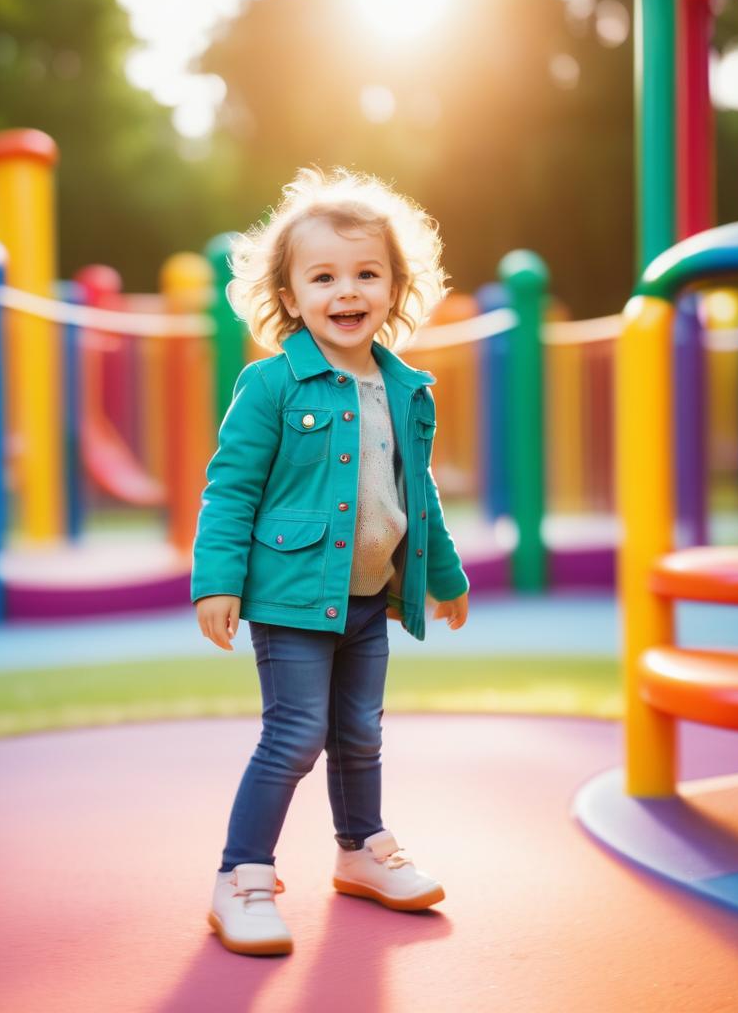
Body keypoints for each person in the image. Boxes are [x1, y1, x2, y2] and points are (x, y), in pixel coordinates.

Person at [191, 168, 469, 956]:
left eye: (365, 274)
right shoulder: (273, 384)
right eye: (323, 277)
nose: (346, 292)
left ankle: (360, 849)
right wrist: (218, 581)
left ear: (393, 286)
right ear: (290, 293)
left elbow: (418, 496)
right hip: (289, 600)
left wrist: (444, 576)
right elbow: (231, 487)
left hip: (367, 599)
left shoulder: (406, 387)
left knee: (360, 732)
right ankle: (241, 877)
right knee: (295, 735)